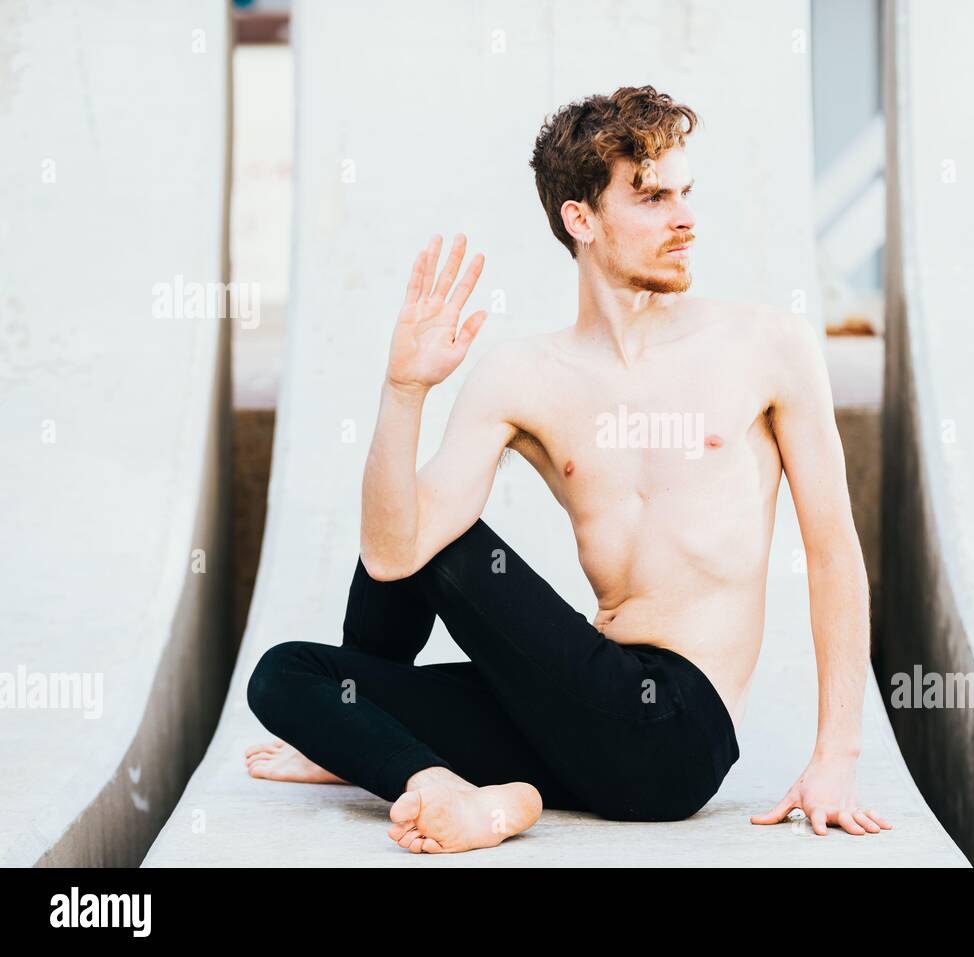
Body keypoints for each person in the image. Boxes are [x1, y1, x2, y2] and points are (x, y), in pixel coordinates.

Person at [243, 85, 890, 853]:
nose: (684, 219)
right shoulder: (525, 375)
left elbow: (833, 552)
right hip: (572, 718)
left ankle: (373, 745)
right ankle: (437, 784)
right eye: (651, 198)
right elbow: (388, 556)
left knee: (442, 539)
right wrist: (404, 390)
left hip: (676, 732)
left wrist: (835, 756)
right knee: (286, 675)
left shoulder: (767, 348)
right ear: (580, 219)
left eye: (686, 194)